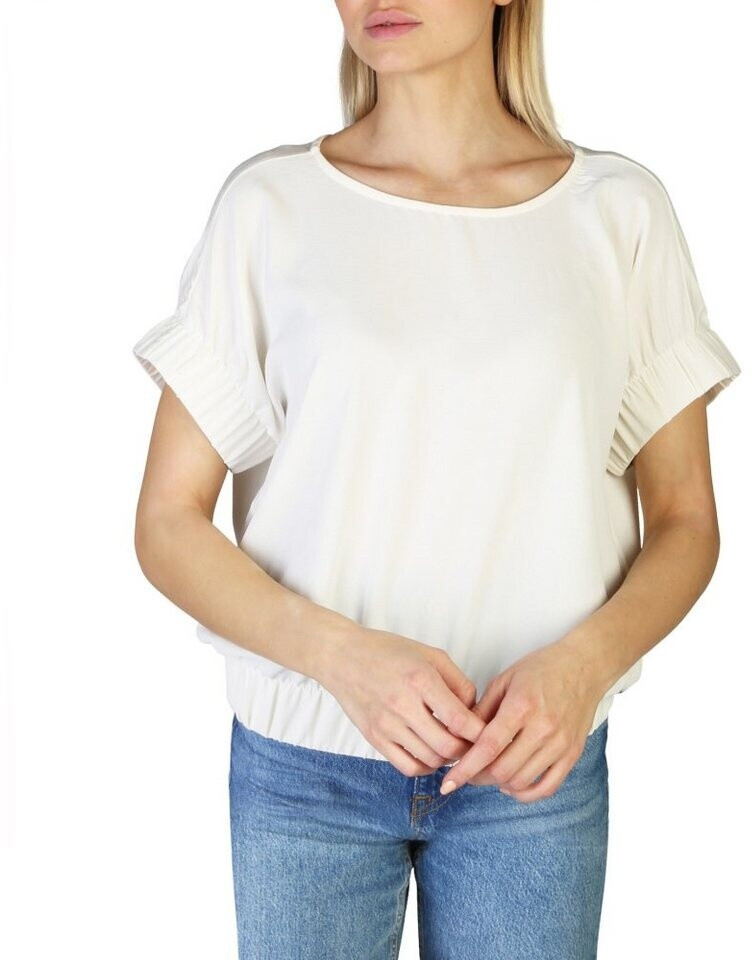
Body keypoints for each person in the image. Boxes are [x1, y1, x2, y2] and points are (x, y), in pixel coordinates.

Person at [131, 2, 742, 957]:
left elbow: (685, 519)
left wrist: (584, 668)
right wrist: (340, 659)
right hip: (307, 774)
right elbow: (168, 522)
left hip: (531, 775)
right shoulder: (270, 208)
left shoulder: (618, 213)